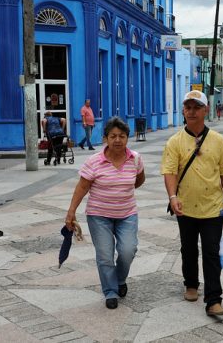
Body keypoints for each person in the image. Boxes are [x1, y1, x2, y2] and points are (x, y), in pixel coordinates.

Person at [161, 90, 223, 317]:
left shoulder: (218, 141)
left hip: (212, 207)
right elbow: (170, 172)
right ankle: (191, 284)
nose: (191, 111)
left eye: (196, 107)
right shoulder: (175, 142)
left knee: (211, 252)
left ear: (205, 110)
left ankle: (214, 300)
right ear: (183, 111)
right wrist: (173, 198)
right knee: (189, 249)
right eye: (188, 107)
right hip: (185, 206)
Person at [65, 117, 145, 309]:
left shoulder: (135, 158)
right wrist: (71, 212)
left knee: (128, 250)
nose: (117, 140)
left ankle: (119, 279)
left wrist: (122, 189)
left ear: (128, 138)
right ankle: (110, 291)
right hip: (99, 215)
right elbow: (82, 187)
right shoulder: (94, 161)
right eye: (113, 136)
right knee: (105, 255)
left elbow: (139, 179)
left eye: (122, 136)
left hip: (127, 214)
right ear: (105, 138)